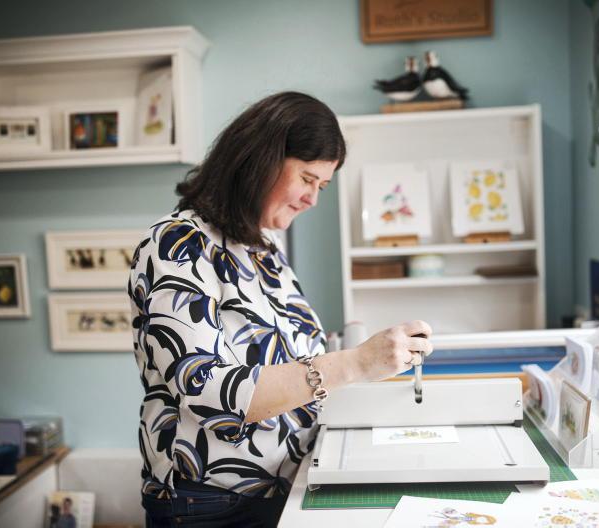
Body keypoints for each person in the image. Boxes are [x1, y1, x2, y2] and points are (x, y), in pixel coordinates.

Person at [129, 91, 433, 527]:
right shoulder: (177, 244)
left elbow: (287, 361)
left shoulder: (263, 247)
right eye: (307, 179)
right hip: (213, 503)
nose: (312, 199)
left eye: (321, 186)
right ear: (261, 160)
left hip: (283, 484)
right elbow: (208, 394)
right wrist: (355, 362)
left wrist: (355, 353)